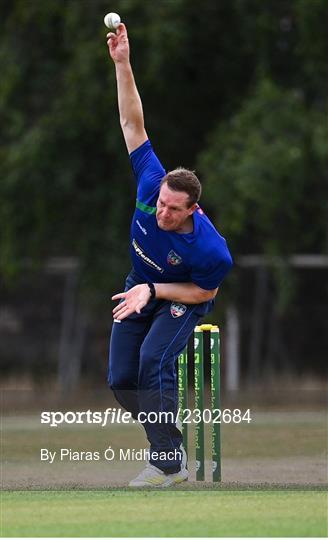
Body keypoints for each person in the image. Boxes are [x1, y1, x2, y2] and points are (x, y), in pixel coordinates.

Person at [106, 23, 233, 488]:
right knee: (122, 380)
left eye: (172, 210)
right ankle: (172, 448)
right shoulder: (150, 182)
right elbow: (131, 122)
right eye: (160, 203)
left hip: (183, 295)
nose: (161, 212)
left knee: (153, 363)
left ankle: (165, 462)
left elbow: (205, 288)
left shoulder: (209, 247)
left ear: (191, 210)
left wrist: (154, 289)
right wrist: (123, 63)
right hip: (139, 287)